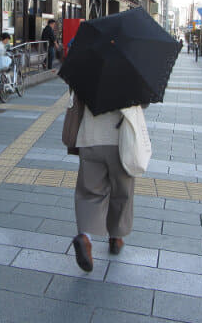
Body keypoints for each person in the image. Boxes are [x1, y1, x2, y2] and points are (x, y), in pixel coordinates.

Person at [70, 96, 143, 272]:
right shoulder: (131, 72)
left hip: (90, 137)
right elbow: (143, 102)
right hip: (121, 140)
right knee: (122, 192)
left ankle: (85, 237)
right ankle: (116, 237)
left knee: (89, 192)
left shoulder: (84, 69)